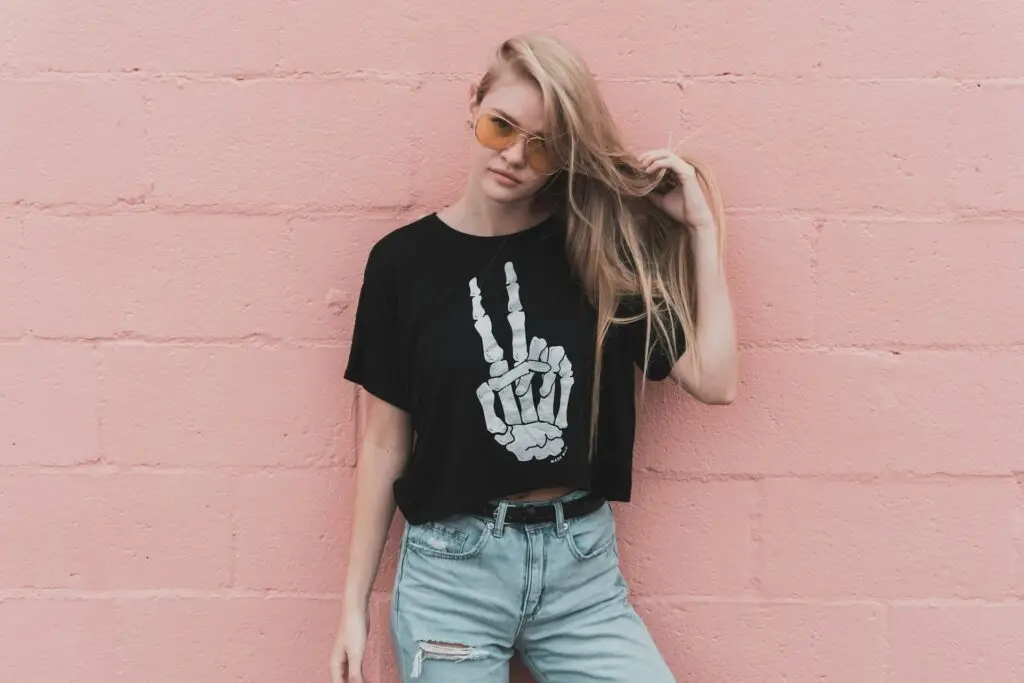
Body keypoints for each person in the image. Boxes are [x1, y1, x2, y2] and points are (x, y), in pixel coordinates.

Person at [330, 32, 738, 683]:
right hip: (451, 575)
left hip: (582, 573)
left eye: (544, 145)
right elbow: (383, 444)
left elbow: (716, 381)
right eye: (502, 126)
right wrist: (352, 605)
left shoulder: (597, 251)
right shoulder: (401, 264)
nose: (516, 156)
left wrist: (701, 230)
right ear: (473, 106)